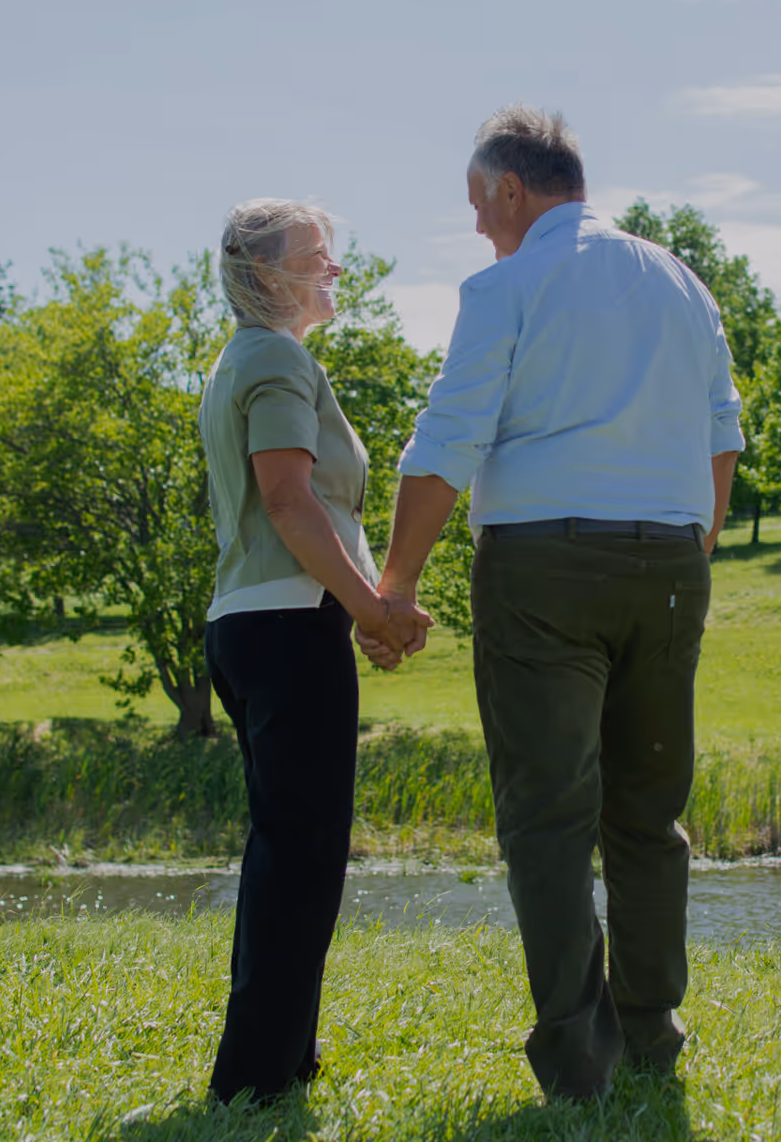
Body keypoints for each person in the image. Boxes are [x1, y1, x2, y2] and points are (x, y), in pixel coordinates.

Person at [359, 107, 743, 1100]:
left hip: (541, 569)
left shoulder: (507, 283)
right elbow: (720, 434)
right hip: (668, 564)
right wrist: (687, 545)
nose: (480, 227)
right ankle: (653, 1033)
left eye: (480, 207)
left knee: (547, 814)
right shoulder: (680, 280)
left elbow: (447, 440)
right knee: (649, 812)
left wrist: (394, 583)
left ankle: (579, 1059)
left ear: (513, 192)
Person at [199, 198, 431, 1104]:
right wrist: (371, 608)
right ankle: (254, 1081)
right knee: (302, 856)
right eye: (318, 256)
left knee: (285, 851)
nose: (334, 269)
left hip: (255, 624)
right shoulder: (275, 355)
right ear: (267, 276)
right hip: (290, 626)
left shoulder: (242, 359)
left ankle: (283, 1058)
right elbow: (291, 503)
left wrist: (360, 610)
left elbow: (292, 507)